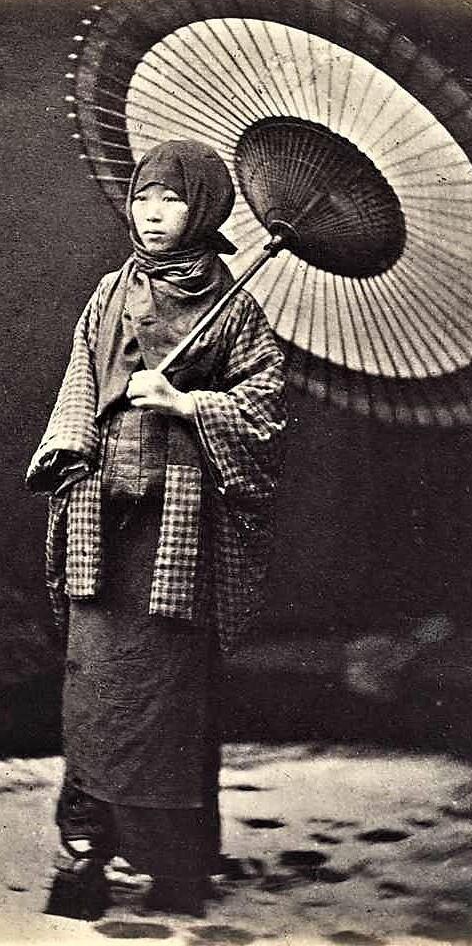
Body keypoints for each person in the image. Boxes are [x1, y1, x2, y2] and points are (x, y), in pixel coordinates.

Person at [26, 139, 287, 919]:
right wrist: (73, 452)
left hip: (179, 528)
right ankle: (82, 861)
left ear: (204, 208)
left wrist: (186, 404)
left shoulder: (234, 305)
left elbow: (265, 413)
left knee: (169, 702)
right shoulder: (110, 291)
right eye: (144, 197)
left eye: (172, 200)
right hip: (104, 517)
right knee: (95, 693)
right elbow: (81, 376)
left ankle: (175, 868)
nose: (152, 213)